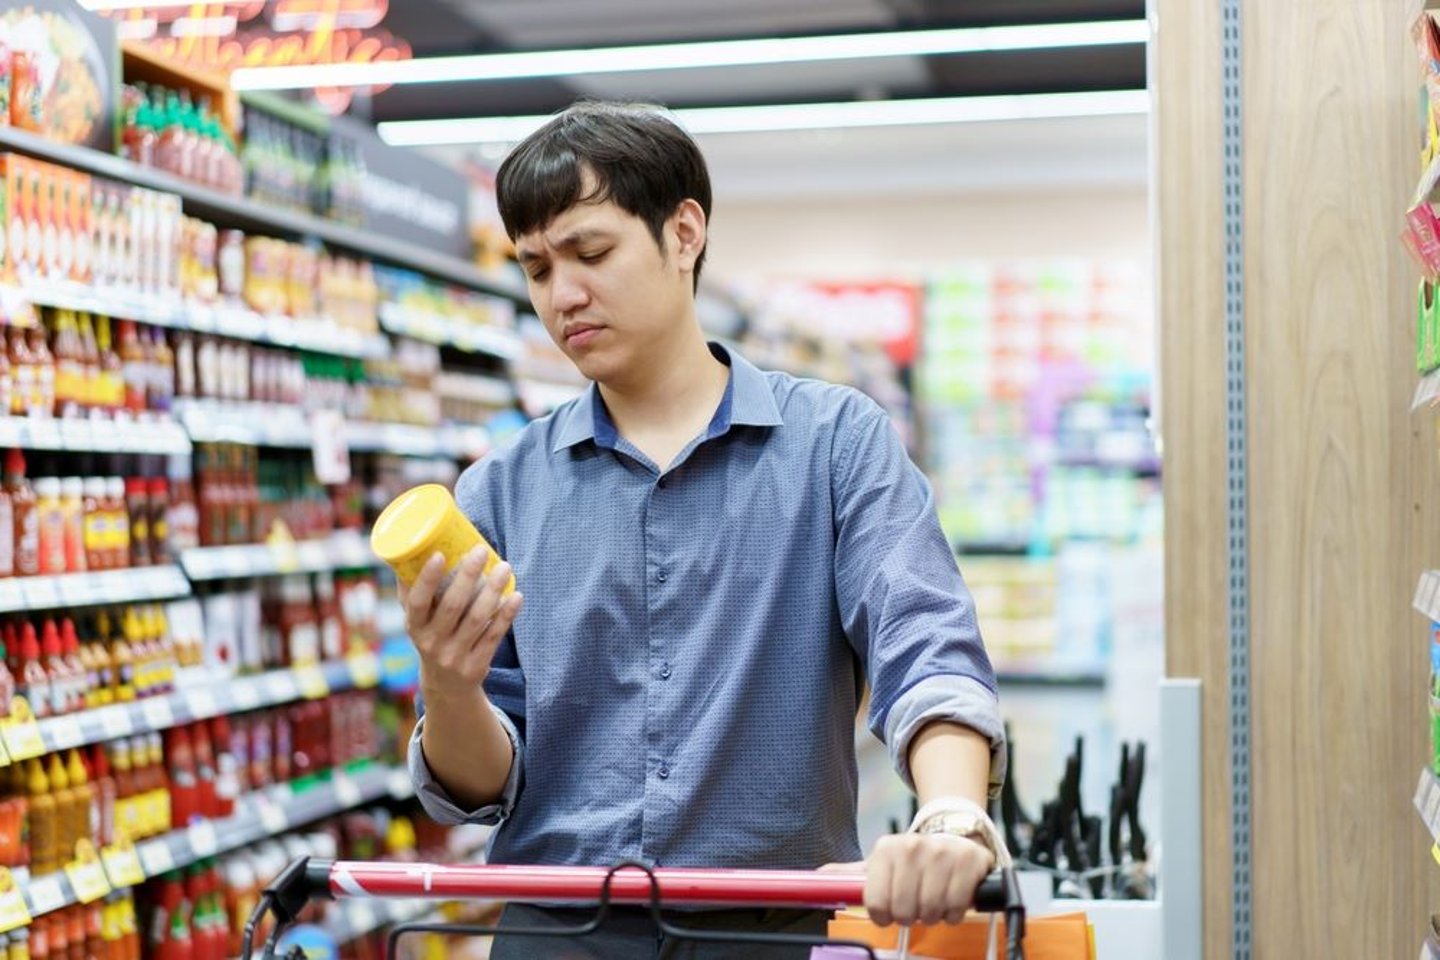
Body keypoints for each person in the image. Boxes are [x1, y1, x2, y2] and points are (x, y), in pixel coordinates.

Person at [402, 100, 1007, 959]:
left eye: (591, 252)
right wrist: (449, 686)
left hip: (775, 930)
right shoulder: (499, 488)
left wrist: (951, 815)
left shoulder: (835, 445)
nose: (562, 294)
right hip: (557, 933)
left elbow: (927, 645)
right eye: (536, 268)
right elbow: (482, 784)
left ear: (683, 233)